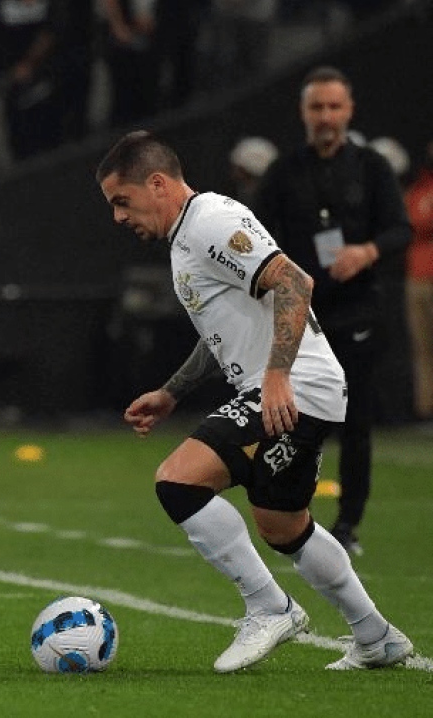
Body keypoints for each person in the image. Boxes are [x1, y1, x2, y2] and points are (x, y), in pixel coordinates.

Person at [97, 130, 413, 672]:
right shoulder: (187, 238)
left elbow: (293, 282)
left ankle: (270, 607)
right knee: (284, 526)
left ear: (156, 183)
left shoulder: (211, 221)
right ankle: (377, 637)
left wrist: (276, 376)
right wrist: (172, 391)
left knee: (178, 480)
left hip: (297, 386)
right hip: (296, 387)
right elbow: (218, 328)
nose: (118, 217)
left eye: (121, 201)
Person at [251, 66, 412, 555]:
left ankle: (348, 526)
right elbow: (258, 233)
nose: (325, 116)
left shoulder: (371, 167)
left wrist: (366, 252)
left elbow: (399, 229)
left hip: (358, 310)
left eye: (334, 107)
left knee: (356, 423)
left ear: (349, 110)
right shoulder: (283, 171)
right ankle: (292, 520)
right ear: (303, 112)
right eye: (316, 107)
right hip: (301, 317)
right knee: (291, 420)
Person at [404, 140, 433, 422]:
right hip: (417, 277)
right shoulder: (420, 188)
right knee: (422, 349)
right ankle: (426, 412)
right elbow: (408, 221)